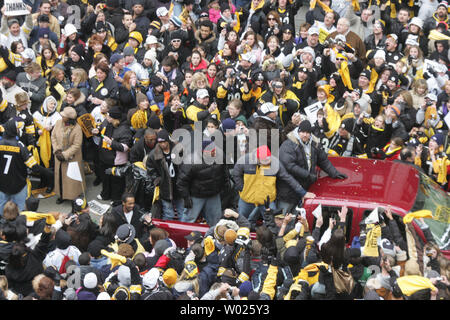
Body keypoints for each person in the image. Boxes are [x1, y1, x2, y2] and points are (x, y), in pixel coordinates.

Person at [278, 120, 347, 213]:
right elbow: (289, 166)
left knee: (297, 215)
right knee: (284, 216)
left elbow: (322, 160)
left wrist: (334, 173)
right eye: (302, 132)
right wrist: (307, 174)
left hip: (304, 187)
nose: (305, 135)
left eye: (307, 133)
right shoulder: (288, 145)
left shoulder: (314, 144)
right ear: (298, 131)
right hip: (288, 189)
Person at [178, 140, 228, 226]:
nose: (214, 153)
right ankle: (183, 237)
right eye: (211, 152)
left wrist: (225, 185)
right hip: (196, 195)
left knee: (216, 221)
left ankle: (213, 237)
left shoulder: (220, 154)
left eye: (214, 151)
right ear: (203, 152)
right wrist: (186, 197)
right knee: (188, 221)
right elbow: (182, 182)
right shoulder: (191, 161)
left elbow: (224, 172)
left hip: (213, 194)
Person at [146, 129, 185, 221]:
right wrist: (158, 180)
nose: (162, 144)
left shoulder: (178, 150)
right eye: (160, 142)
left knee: (182, 212)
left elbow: (185, 164)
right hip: (165, 188)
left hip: (178, 186)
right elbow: (150, 170)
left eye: (164, 142)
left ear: (168, 140)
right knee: (168, 214)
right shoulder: (153, 155)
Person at [51, 106, 85, 204]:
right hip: (58, 156)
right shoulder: (58, 123)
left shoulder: (77, 128)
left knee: (72, 178)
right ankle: (61, 195)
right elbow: (53, 136)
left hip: (72, 157)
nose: (62, 116)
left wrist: (65, 154)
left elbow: (77, 145)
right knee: (60, 177)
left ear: (69, 118)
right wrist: (57, 150)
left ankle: (74, 196)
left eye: (64, 116)